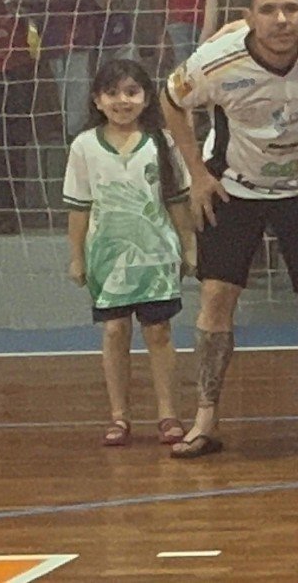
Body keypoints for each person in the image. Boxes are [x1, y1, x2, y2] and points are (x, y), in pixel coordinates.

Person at [162, 0, 298, 457]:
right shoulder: (216, 61)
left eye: (291, 9)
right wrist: (195, 173)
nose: (281, 19)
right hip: (235, 186)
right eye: (269, 10)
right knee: (215, 297)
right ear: (248, 17)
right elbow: (171, 102)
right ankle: (205, 421)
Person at [64, 59, 194, 448]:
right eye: (113, 92)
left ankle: (168, 414)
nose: (123, 100)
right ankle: (119, 416)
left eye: (132, 92)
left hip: (156, 255)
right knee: (115, 330)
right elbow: (79, 207)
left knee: (159, 332)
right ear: (97, 100)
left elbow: (177, 201)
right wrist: (77, 256)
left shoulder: (164, 142)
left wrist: (188, 246)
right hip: (108, 257)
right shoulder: (84, 146)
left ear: (147, 97)